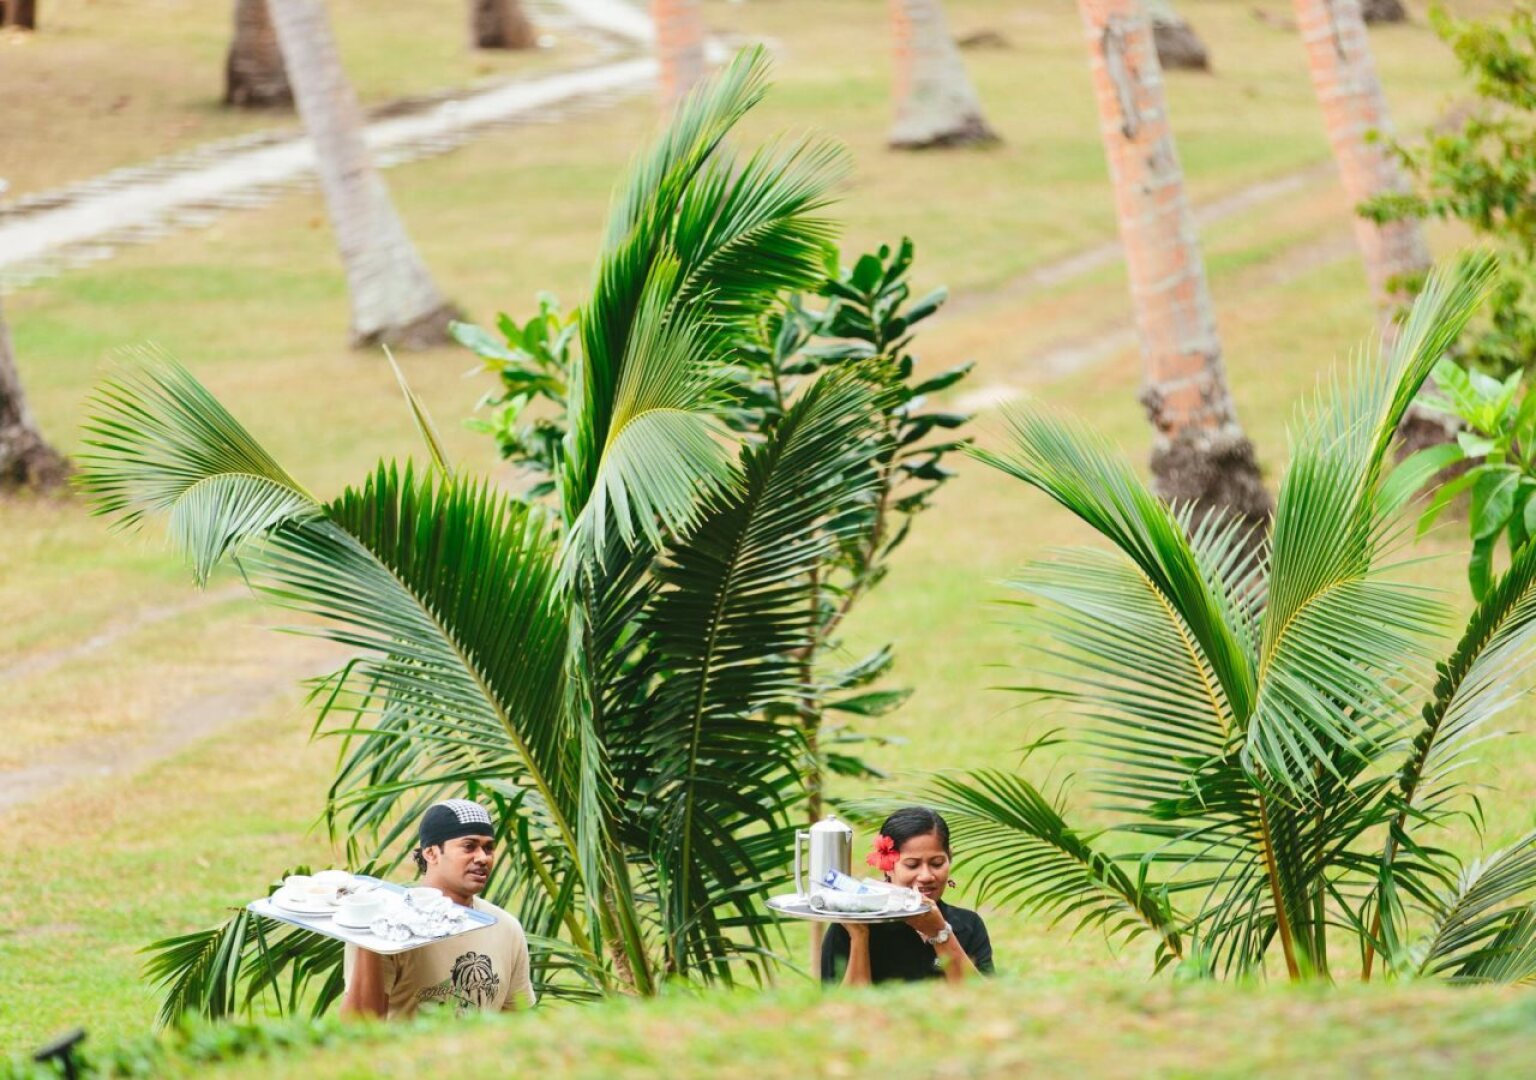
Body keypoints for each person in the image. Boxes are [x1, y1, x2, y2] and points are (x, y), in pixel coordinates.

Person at [342, 798, 536, 1020]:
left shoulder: (505, 928)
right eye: (469, 846)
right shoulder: (386, 925)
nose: (483, 858)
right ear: (431, 853)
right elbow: (359, 1026)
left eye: (488, 848)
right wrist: (370, 943)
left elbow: (517, 1022)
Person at [820, 806, 993, 986]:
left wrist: (940, 933)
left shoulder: (968, 925)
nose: (926, 876)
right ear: (888, 865)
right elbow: (842, 1009)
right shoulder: (850, 927)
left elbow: (985, 1003)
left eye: (937, 863)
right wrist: (859, 937)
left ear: (949, 858)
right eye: (912, 865)